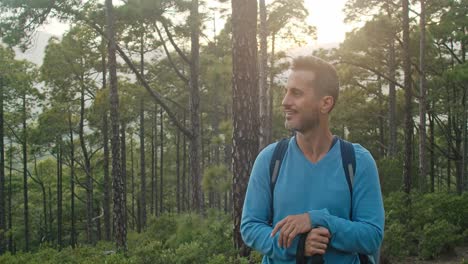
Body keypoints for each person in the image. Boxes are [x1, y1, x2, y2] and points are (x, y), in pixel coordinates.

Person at [240, 56, 384, 263]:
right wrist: (298, 246)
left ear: (325, 103)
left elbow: (372, 236)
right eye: (286, 91)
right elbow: (251, 227)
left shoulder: (356, 161)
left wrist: (317, 220)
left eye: (296, 93)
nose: (285, 102)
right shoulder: (270, 160)